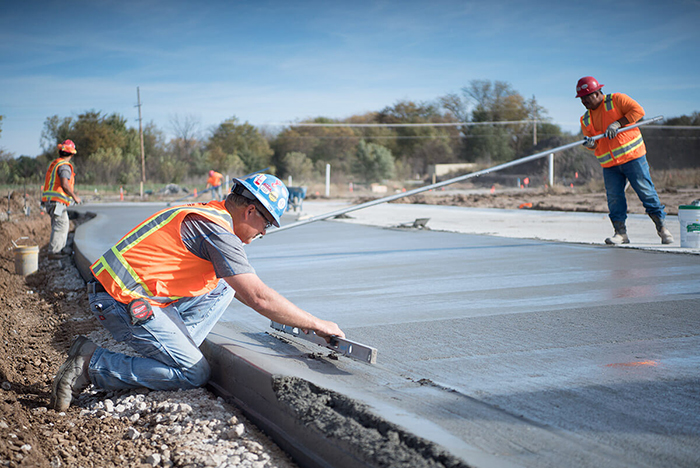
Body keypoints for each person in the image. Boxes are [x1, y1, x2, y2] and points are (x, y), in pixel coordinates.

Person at [50, 173, 344, 411]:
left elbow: (242, 289)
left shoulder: (211, 215)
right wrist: (317, 325)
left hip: (130, 296)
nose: (265, 232)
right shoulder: (216, 230)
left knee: (225, 287)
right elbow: (258, 297)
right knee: (195, 373)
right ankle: (92, 364)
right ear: (250, 210)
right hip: (120, 301)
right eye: (266, 222)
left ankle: (173, 354)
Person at [576, 76, 673, 245]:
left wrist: (617, 124)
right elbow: (594, 144)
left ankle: (663, 229)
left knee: (646, 193)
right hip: (610, 165)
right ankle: (620, 234)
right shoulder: (585, 119)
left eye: (587, 96)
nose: (584, 101)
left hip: (633, 158)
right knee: (614, 199)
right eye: (582, 98)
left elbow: (638, 112)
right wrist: (589, 144)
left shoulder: (617, 100)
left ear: (598, 92)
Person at [41, 139, 82, 259]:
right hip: (57, 202)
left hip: (51, 201)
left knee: (60, 224)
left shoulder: (55, 163)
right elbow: (64, 184)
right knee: (61, 224)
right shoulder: (64, 166)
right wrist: (75, 197)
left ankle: (59, 250)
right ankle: (54, 252)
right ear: (72, 154)